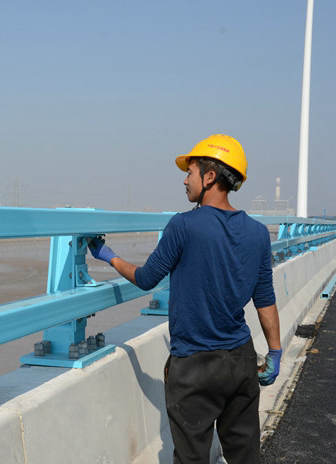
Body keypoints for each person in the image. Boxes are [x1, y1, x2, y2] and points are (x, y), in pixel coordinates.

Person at [88, 134, 282, 464]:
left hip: (194, 365)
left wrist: (109, 256)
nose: (184, 179)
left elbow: (146, 278)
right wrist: (275, 352)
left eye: (190, 172)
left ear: (210, 177)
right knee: (245, 455)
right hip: (241, 359)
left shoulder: (183, 226)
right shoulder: (258, 233)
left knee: (192, 457)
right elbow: (265, 300)